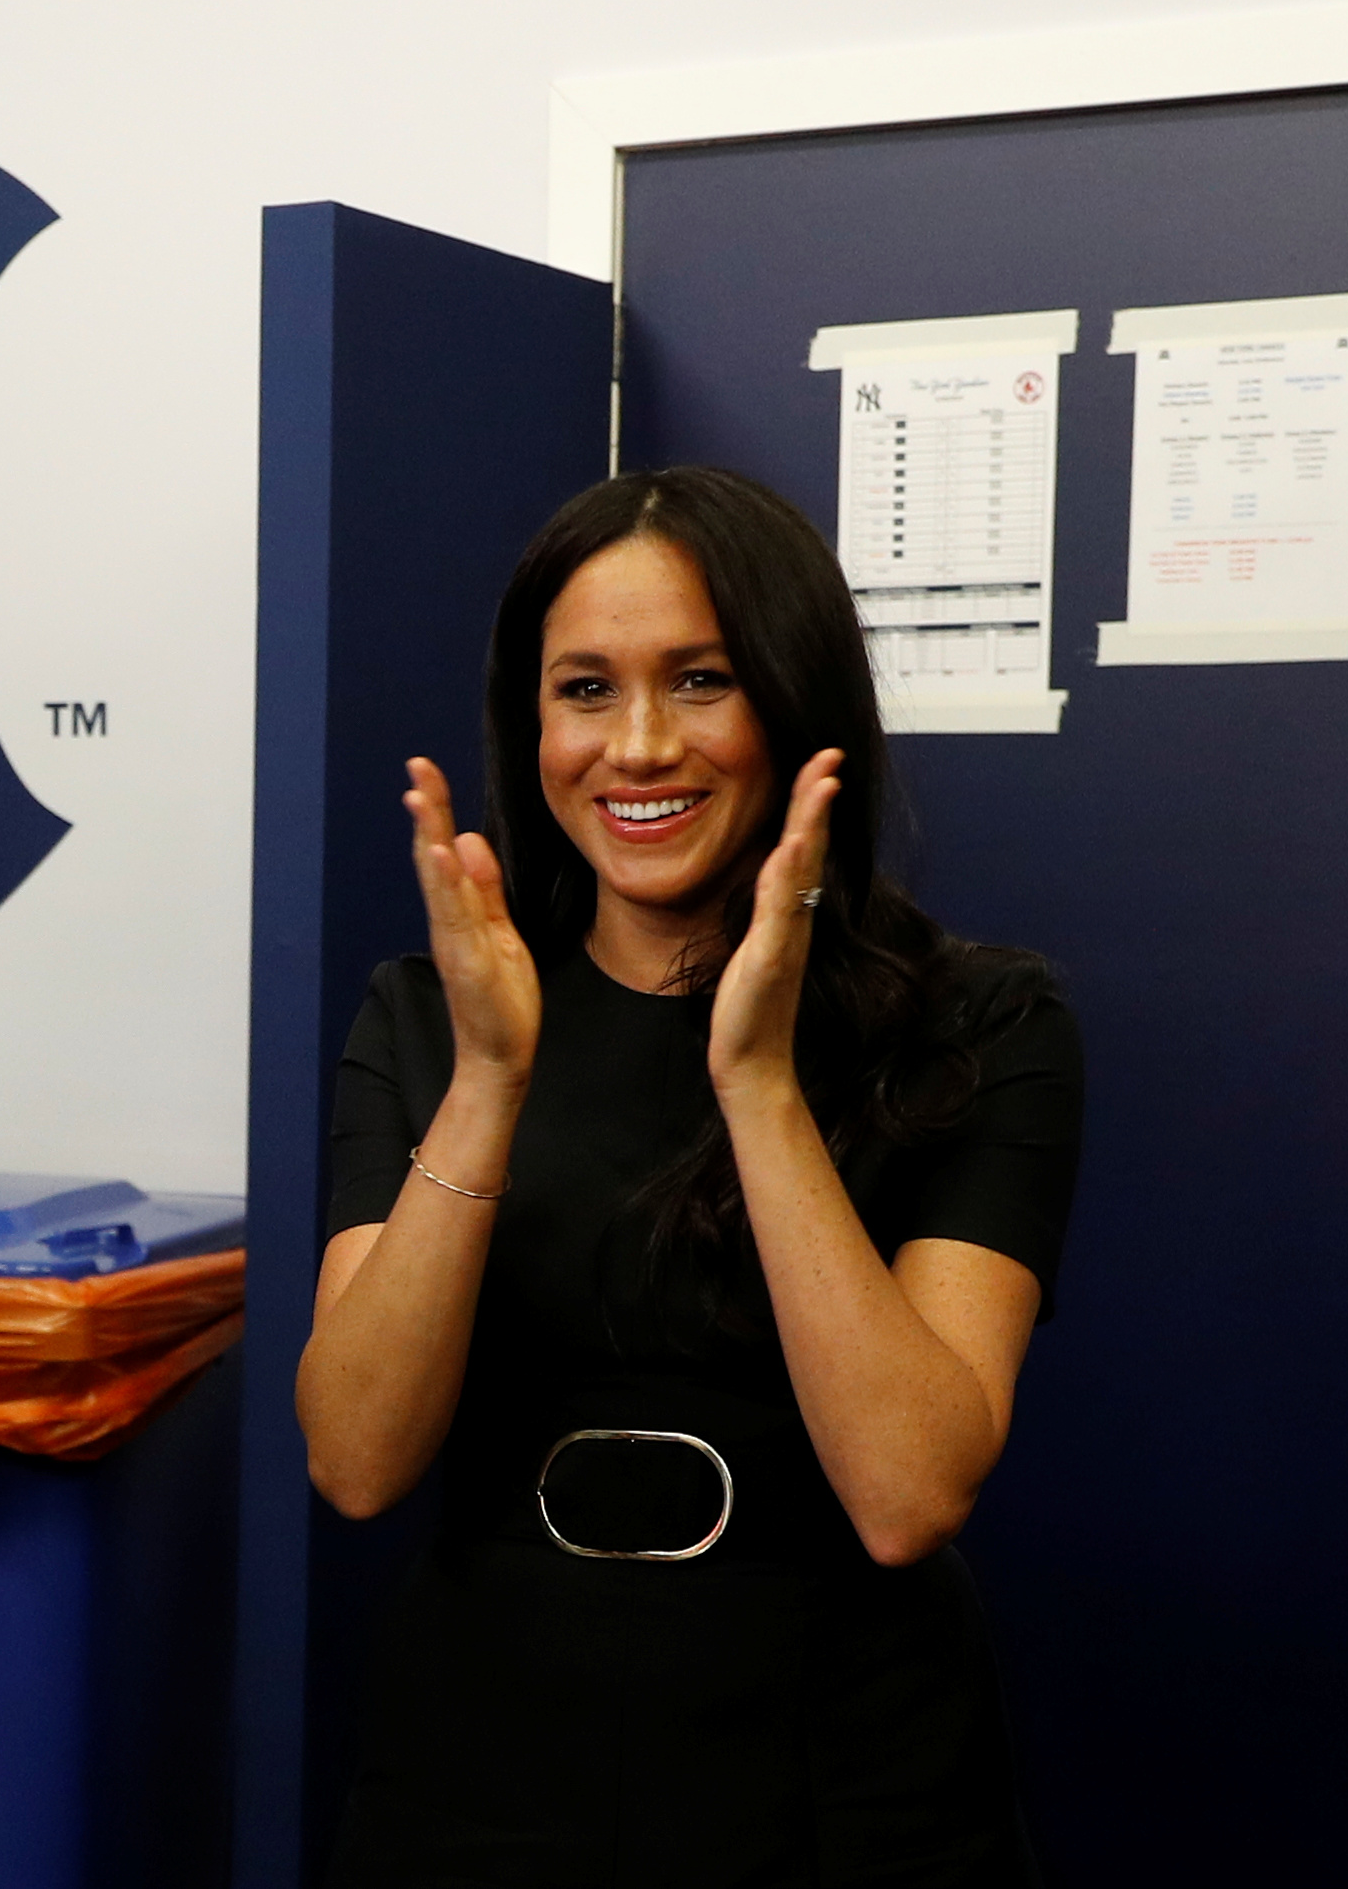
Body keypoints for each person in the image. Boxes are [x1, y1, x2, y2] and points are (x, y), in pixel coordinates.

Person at [296, 467, 1082, 1884]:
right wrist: (486, 1086)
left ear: (793, 702)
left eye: (701, 678)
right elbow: (355, 1458)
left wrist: (760, 1083)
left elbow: (909, 1487)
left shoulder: (981, 1022)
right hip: (486, 1744)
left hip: (843, 1764)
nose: (639, 745)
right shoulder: (432, 1017)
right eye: (585, 688)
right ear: (530, 722)